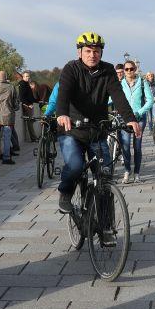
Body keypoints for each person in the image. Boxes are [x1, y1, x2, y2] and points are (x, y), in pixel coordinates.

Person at [55, 32, 140, 213]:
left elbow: (118, 96)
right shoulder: (71, 69)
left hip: (97, 131)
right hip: (72, 130)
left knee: (105, 175)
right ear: (79, 52)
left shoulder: (107, 70)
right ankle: (65, 192)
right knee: (75, 166)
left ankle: (106, 223)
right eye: (88, 51)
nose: (92, 55)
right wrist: (62, 113)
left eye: (96, 51)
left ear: (101, 53)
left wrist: (130, 119)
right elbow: (63, 93)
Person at [120, 60, 153, 183]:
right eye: (127, 69)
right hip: (125, 118)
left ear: (135, 69)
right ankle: (127, 170)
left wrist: (139, 112)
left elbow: (150, 100)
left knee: (137, 146)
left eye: (131, 69)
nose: (129, 71)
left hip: (139, 119)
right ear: (124, 71)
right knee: (125, 145)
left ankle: (137, 173)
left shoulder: (143, 82)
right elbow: (113, 98)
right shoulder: (120, 83)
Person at [0, 71, 20, 165]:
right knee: (7, 137)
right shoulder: (11, 87)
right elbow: (16, 104)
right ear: (6, 77)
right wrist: (15, 107)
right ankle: (6, 157)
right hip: (8, 116)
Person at [18, 70, 38, 142]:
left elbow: (30, 96)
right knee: (30, 122)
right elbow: (22, 97)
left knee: (31, 121)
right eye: (26, 76)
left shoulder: (26, 84)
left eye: (28, 76)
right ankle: (34, 138)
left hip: (29, 105)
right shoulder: (22, 84)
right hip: (26, 106)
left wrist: (37, 101)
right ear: (23, 77)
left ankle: (34, 137)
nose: (28, 78)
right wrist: (28, 104)